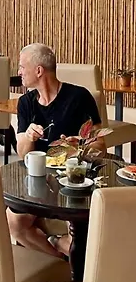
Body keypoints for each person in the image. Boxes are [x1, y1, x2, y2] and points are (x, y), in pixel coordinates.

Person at [7, 43, 106, 257]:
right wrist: (28, 137)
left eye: (22, 67)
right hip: (38, 181)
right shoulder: (25, 103)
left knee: (80, 239)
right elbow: (22, 153)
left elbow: (100, 146)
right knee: (14, 222)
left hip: (73, 182)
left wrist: (78, 147)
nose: (19, 72)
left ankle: (60, 245)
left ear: (38, 70)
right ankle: (59, 258)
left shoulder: (79, 97)